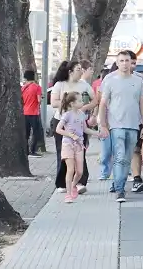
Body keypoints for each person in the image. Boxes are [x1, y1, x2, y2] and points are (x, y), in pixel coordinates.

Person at [98, 51, 143, 203]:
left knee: (127, 158)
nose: (125, 63)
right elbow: (102, 103)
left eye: (127, 60)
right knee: (119, 157)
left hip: (133, 125)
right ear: (117, 63)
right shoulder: (110, 80)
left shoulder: (138, 81)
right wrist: (103, 124)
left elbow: (142, 103)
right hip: (116, 125)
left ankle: (118, 183)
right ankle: (120, 189)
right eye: (122, 61)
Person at [50, 61, 96, 194]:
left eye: (82, 69)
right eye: (78, 69)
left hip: (79, 123)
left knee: (81, 151)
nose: (81, 71)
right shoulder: (60, 85)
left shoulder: (84, 85)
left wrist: (84, 107)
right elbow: (53, 102)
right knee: (63, 153)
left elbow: (94, 100)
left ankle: (81, 182)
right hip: (62, 122)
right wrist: (71, 106)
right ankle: (62, 183)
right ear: (70, 71)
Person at [53, 92, 99, 203]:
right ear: (72, 103)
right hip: (68, 144)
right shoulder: (67, 115)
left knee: (79, 172)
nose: (82, 102)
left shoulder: (81, 114)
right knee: (71, 169)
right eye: (79, 101)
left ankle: (73, 186)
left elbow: (85, 129)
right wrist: (70, 135)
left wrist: (97, 133)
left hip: (79, 145)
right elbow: (58, 129)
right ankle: (68, 195)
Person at [21, 70, 43, 158]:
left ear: (25, 78)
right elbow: (39, 100)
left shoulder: (23, 88)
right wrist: (41, 97)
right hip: (34, 113)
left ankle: (26, 151)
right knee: (36, 132)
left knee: (26, 133)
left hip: (25, 112)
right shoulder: (37, 87)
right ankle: (32, 151)